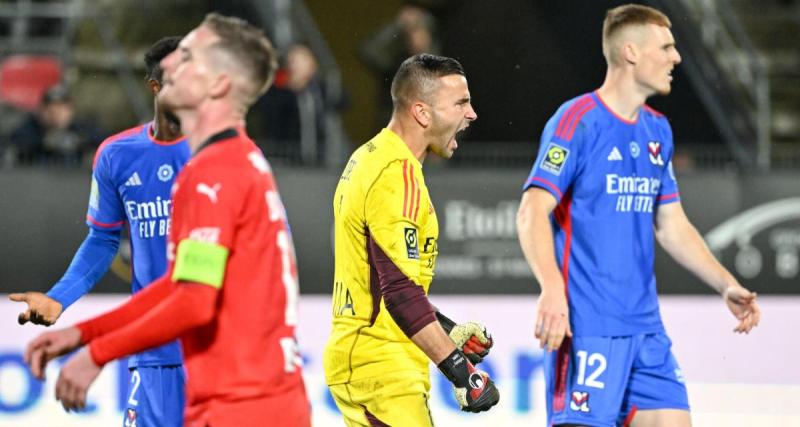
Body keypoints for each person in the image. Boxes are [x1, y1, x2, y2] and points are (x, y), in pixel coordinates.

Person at [22, 13, 311, 427]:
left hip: (242, 399)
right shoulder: (230, 162)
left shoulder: (214, 174)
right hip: (244, 389)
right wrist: (82, 334)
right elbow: (180, 286)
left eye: (189, 58)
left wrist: (97, 352)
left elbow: (192, 301)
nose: (172, 65)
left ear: (218, 85)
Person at [516, 5, 761, 427]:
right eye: (666, 47)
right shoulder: (576, 122)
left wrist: (726, 284)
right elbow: (531, 210)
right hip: (587, 327)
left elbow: (672, 226)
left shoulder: (657, 129)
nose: (676, 58)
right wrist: (551, 290)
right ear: (631, 52)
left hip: (646, 330)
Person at [9, 36, 188, 427]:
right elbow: (104, 238)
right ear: (156, 87)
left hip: (216, 350)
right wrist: (59, 298)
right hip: (155, 350)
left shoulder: (223, 155)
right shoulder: (116, 155)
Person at [323, 53, 498, 426]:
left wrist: (447, 333)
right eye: (461, 103)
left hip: (372, 362)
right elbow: (400, 293)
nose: (472, 114)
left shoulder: (373, 157)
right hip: (380, 369)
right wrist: (462, 372)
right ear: (422, 112)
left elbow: (385, 281)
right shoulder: (395, 175)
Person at [9, 84, 105, 166]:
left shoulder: (82, 128)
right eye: (50, 109)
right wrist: (43, 142)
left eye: (60, 109)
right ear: (40, 110)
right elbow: (15, 143)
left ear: (70, 111)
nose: (55, 114)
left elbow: (106, 144)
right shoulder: (30, 128)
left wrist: (80, 143)